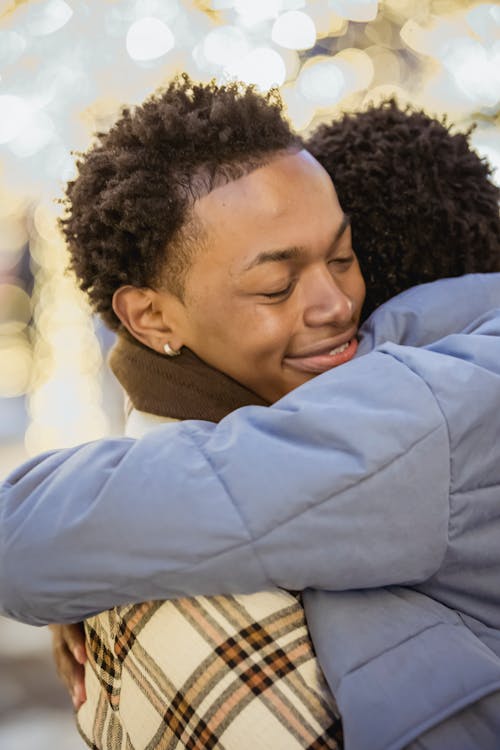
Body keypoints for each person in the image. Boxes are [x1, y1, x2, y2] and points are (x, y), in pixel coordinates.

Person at [1, 77, 500, 750]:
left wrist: (97, 569)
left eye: (345, 258)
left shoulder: (424, 407)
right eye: (278, 284)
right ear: (148, 316)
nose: (336, 304)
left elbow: (23, 542)